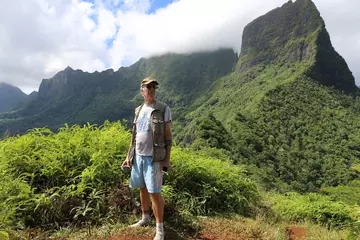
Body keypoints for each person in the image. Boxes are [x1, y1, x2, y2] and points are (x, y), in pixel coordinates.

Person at [122, 77, 172, 240]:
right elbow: (134, 135)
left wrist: (167, 159)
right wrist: (129, 156)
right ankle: (145, 218)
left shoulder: (163, 108)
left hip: (154, 158)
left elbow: (168, 136)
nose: (151, 90)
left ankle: (160, 230)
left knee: (154, 192)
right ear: (141, 90)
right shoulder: (139, 110)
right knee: (142, 188)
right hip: (138, 156)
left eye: (153, 87)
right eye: (147, 87)